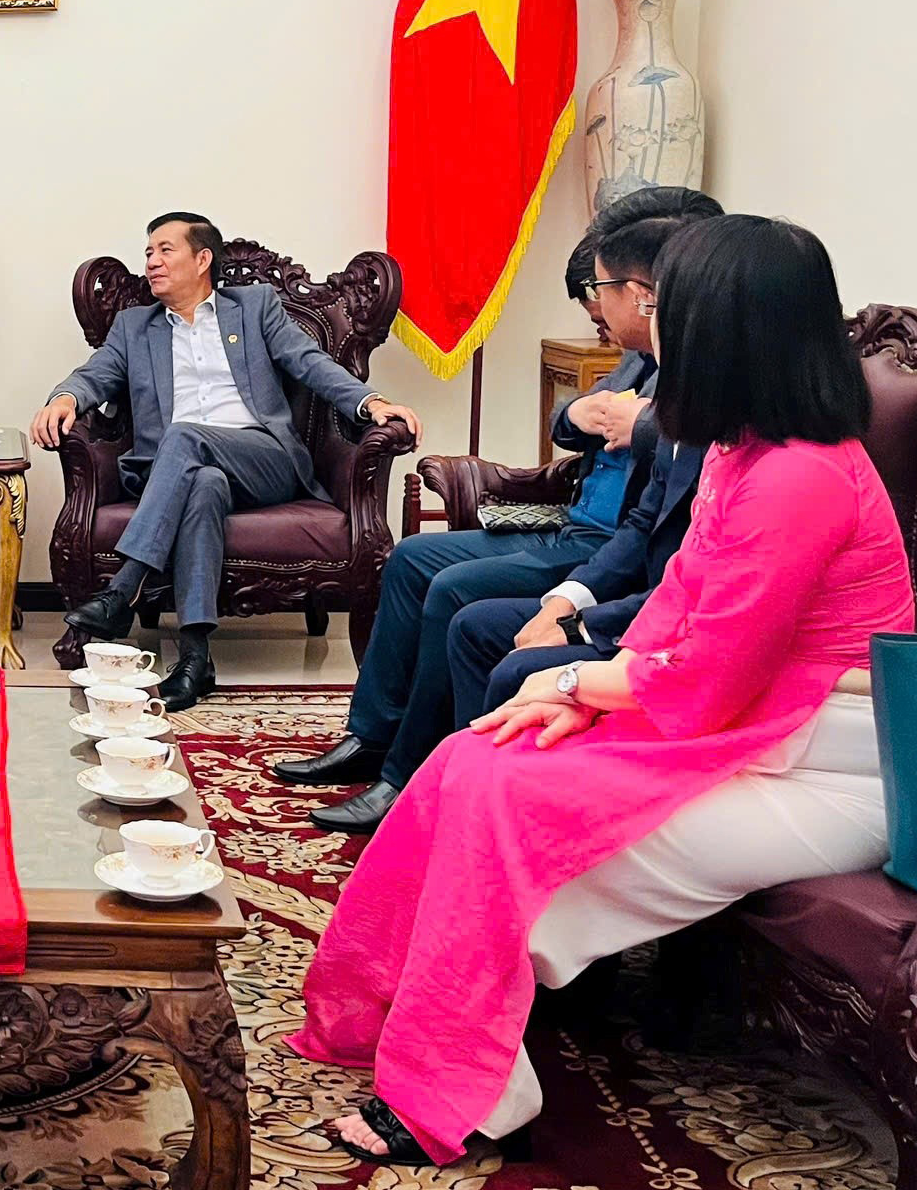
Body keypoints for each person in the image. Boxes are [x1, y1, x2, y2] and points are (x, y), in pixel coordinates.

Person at [294, 214, 911, 1168]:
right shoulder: (745, 450)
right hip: (744, 724)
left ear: (730, 330)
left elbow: (709, 675)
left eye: (678, 310)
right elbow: (678, 603)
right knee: (472, 758)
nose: (658, 332)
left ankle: (473, 1090)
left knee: (507, 801)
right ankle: (434, 1027)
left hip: (822, 762)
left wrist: (582, 678)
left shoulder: (802, 477)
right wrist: (577, 694)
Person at [274, 195, 716, 831]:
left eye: (601, 293)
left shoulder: (699, 385)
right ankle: (374, 738)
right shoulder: (641, 357)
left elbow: (659, 515)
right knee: (411, 556)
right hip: (577, 531)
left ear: (649, 289)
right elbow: (568, 420)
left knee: (456, 590)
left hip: (601, 550)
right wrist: (581, 415)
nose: (599, 313)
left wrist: (646, 423)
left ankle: (415, 775)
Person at [35, 212, 422, 710]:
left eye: (164, 250)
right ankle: (196, 660)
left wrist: (370, 404)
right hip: (183, 470)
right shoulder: (134, 327)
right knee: (204, 486)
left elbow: (311, 363)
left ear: (202, 260)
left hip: (265, 458)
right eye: (148, 252)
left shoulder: (254, 308)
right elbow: (94, 375)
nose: (151, 261)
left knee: (184, 437)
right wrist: (66, 399)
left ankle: (124, 588)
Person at [443, 217, 716, 723]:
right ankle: (420, 770)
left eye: (661, 304)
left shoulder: (749, 441)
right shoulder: (651, 369)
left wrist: (582, 636)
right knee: (471, 622)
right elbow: (644, 526)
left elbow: (706, 598)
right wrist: (568, 605)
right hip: (623, 574)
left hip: (668, 624)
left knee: (503, 653)